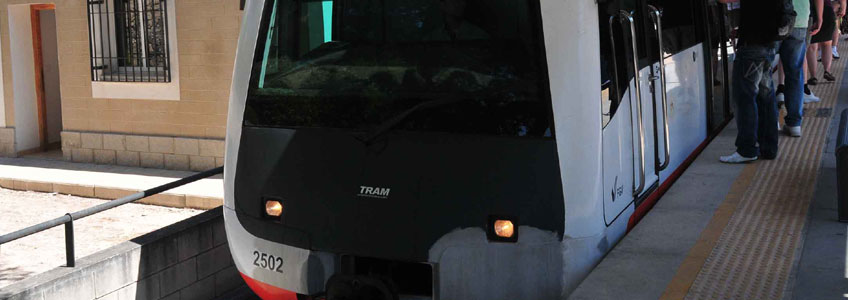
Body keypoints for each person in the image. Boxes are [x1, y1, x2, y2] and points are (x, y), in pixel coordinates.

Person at [718, 0, 782, 163]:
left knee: (745, 98)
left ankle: (747, 149)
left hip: (752, 48)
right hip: (768, 45)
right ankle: (769, 148)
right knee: (766, 98)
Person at [776, 0, 822, 137]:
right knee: (795, 73)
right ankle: (794, 124)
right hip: (799, 18)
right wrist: (819, 17)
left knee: (764, 72)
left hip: (772, 18)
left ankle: (770, 121)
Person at [808, 0, 845, 84]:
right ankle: (827, 71)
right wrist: (843, 5)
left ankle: (813, 76)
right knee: (827, 44)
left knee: (812, 47)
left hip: (812, 11)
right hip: (828, 10)